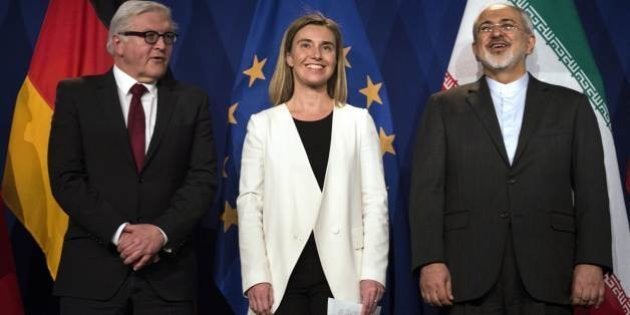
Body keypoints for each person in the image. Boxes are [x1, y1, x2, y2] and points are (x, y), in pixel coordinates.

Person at [409, 4, 611, 314]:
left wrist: (591, 261)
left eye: (507, 25)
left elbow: (591, 192)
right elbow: (427, 192)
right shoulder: (443, 107)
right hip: (467, 275)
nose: (497, 33)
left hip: (550, 274)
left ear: (530, 43)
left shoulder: (572, 106)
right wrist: (430, 260)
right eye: (486, 28)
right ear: (476, 48)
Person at [48, 1, 217, 314]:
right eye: (149, 36)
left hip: (168, 276)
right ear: (117, 42)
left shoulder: (192, 101)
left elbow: (202, 179)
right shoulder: (76, 95)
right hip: (92, 275)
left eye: (168, 37)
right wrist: (119, 232)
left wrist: (159, 233)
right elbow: (66, 178)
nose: (161, 46)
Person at [237, 13, 389, 315]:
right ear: (290, 57)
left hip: (344, 274)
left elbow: (374, 202)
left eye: (327, 47)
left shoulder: (358, 122)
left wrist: (372, 271)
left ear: (336, 58)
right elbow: (250, 203)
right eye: (306, 45)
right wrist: (256, 276)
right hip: (280, 278)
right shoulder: (262, 125)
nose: (316, 55)